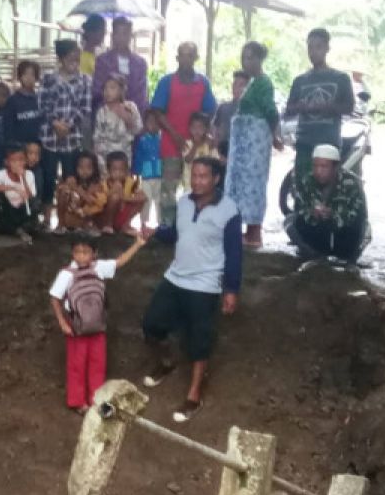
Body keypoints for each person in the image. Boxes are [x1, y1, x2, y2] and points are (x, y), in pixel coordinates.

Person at [141, 156, 242, 423]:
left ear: (216, 179)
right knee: (152, 324)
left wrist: (231, 289)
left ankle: (194, 395)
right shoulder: (184, 202)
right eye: (194, 175)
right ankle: (165, 363)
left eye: (203, 176)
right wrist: (156, 232)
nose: (196, 181)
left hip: (205, 284)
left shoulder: (229, 210)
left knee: (199, 340)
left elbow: (234, 254)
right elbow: (176, 233)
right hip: (175, 277)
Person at [49, 234, 146, 413]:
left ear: (94, 254)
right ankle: (78, 402)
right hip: (76, 327)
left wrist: (137, 245)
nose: (81, 256)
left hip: (98, 325)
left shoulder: (99, 267)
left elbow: (119, 262)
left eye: (86, 252)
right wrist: (63, 323)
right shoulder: (66, 274)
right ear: (72, 253)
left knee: (97, 363)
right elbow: (55, 298)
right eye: (77, 252)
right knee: (77, 364)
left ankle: (97, 399)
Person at [149, 42, 218, 226]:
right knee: (169, 189)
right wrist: (174, 134)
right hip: (172, 145)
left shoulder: (203, 83)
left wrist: (206, 133)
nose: (186, 59)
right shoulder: (167, 82)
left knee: (197, 186)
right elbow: (157, 111)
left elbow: (210, 110)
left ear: (196, 58)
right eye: (182, 55)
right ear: (177, 58)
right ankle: (167, 225)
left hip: (197, 147)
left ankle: (194, 224)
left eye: (190, 55)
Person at [225, 42, 283, 249]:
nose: (246, 61)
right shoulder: (250, 82)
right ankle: (245, 230)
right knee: (241, 185)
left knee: (254, 184)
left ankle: (254, 232)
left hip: (255, 142)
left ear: (260, 59)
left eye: (250, 57)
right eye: (244, 57)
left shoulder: (263, 83)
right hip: (243, 144)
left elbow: (271, 111)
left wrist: (276, 135)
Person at [284, 28, 354, 195]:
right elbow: (288, 111)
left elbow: (349, 107)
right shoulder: (300, 80)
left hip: (328, 144)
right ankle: (301, 220)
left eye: (318, 47)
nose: (313, 52)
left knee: (328, 191)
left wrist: (330, 107)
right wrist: (300, 107)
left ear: (327, 48)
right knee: (302, 188)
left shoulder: (340, 78)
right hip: (304, 143)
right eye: (310, 47)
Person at [284, 144, 369, 262]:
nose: (318, 171)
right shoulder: (307, 181)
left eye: (324, 167)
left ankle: (349, 259)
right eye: (315, 166)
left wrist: (332, 215)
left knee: (366, 229)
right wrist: (312, 213)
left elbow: (359, 216)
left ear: (336, 167)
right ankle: (314, 255)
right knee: (290, 221)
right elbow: (301, 209)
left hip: (344, 236)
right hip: (319, 233)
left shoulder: (352, 183)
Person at [40, 39, 92, 228]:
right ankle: (47, 218)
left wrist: (68, 126)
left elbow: (85, 108)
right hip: (49, 137)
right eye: (71, 58)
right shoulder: (48, 78)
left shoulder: (86, 80)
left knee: (71, 177)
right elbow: (43, 104)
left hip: (72, 138)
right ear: (61, 58)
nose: (75, 62)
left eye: (77, 58)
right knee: (48, 177)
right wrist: (55, 123)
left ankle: (68, 218)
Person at [93, 16, 148, 115]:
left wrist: (131, 113)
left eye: (125, 34)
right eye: (117, 33)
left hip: (133, 118)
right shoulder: (102, 61)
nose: (121, 38)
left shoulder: (140, 63)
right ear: (112, 35)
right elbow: (97, 91)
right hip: (107, 117)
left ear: (130, 36)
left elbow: (142, 95)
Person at [0, 144, 39, 242]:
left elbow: (31, 195)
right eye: (14, 161)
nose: (18, 164)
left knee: (34, 203)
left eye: (21, 160)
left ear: (25, 161)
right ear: (7, 162)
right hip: (7, 210)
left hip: (21, 210)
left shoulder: (29, 174)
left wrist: (23, 178)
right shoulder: (1, 174)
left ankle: (20, 229)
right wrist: (13, 188)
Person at [93, 74, 142, 167]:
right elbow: (97, 138)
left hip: (124, 156)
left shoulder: (130, 107)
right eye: (105, 88)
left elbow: (138, 129)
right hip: (105, 158)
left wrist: (127, 118)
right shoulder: (101, 111)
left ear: (121, 90)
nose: (108, 92)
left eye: (112, 88)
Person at [54, 151, 106, 233]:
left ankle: (88, 225)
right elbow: (59, 193)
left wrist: (77, 189)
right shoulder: (70, 179)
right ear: (75, 168)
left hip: (85, 218)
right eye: (81, 167)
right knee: (63, 192)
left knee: (96, 200)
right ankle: (61, 224)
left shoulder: (97, 184)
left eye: (88, 168)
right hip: (70, 217)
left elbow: (91, 201)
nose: (84, 171)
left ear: (94, 169)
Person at [101, 151, 147, 235]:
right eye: (114, 170)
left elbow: (143, 197)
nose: (118, 173)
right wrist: (113, 193)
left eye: (121, 170)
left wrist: (124, 198)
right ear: (108, 171)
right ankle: (108, 226)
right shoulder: (104, 184)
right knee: (114, 197)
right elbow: (101, 201)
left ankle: (125, 226)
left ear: (126, 170)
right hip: (107, 216)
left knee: (140, 200)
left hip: (123, 215)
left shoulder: (131, 183)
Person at [133, 109, 164, 229]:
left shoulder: (162, 139)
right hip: (145, 175)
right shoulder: (142, 140)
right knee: (146, 199)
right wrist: (136, 172)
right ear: (145, 123)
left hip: (159, 174)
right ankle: (143, 223)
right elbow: (138, 157)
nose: (153, 125)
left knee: (159, 200)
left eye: (156, 122)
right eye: (150, 122)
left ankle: (161, 223)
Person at [4, 60, 44, 148]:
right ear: (19, 77)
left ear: (36, 77)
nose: (29, 77)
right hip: (19, 149)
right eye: (25, 74)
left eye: (32, 74)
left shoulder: (40, 99)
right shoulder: (12, 100)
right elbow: (8, 127)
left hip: (38, 148)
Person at [182, 112, 219, 190]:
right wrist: (195, 145)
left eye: (200, 128)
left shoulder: (209, 144)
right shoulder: (187, 144)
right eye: (194, 128)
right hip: (190, 184)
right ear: (189, 129)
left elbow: (216, 160)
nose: (197, 131)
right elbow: (187, 160)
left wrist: (213, 144)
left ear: (206, 130)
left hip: (206, 184)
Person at [213, 70, 249, 147]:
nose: (236, 87)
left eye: (241, 85)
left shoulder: (253, 110)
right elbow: (215, 128)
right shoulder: (223, 107)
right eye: (235, 84)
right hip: (224, 149)